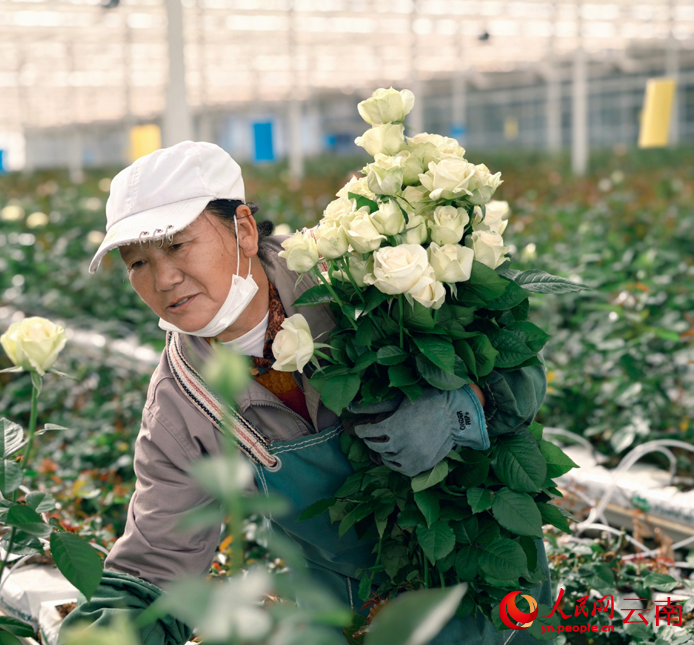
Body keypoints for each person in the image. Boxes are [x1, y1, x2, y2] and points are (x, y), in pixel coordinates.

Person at [58, 141, 551, 645]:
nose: (163, 279)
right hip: (351, 617)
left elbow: (520, 373)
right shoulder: (184, 402)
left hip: (489, 581)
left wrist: (463, 407)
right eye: (136, 263)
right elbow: (156, 563)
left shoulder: (360, 280)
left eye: (177, 245)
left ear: (244, 230)